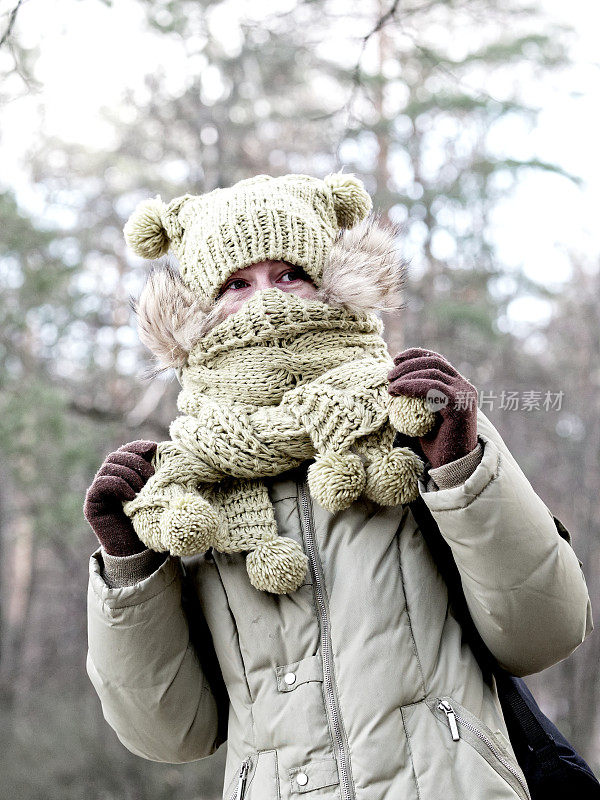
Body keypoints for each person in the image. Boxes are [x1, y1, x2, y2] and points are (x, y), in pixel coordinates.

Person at [83, 172, 593, 800]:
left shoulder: (416, 418)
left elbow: (546, 630)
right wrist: (130, 567)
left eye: (289, 275)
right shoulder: (181, 492)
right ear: (198, 309)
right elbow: (170, 733)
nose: (266, 302)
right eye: (237, 283)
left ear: (332, 285)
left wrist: (463, 472)